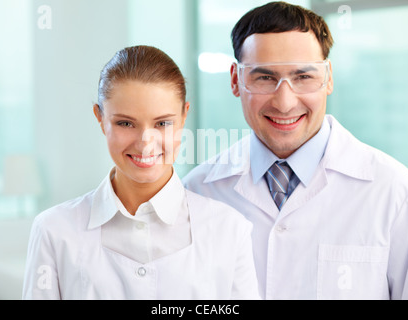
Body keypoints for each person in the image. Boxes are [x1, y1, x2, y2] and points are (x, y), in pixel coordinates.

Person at [183, 1, 408, 300]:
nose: (284, 102)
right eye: (265, 77)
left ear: (328, 78)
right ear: (236, 79)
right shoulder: (197, 193)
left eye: (303, 77)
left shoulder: (396, 195)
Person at [22, 45, 260, 300]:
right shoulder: (54, 230)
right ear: (100, 118)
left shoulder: (229, 229)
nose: (145, 142)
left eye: (162, 123)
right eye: (125, 123)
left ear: (183, 117)